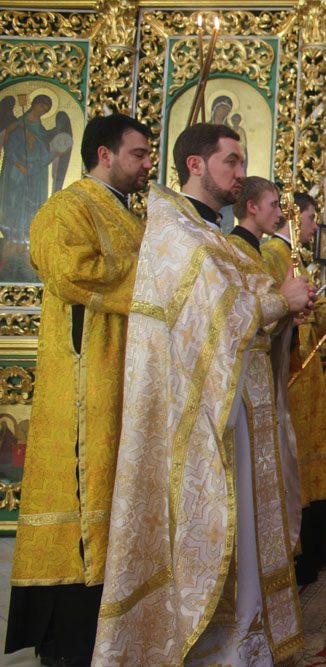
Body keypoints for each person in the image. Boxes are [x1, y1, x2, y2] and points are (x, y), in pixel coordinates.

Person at [93, 123, 314, 665]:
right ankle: (216, 647)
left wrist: (283, 306)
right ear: (195, 164)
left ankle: (245, 640)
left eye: (242, 163)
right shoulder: (175, 232)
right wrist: (278, 302)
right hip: (201, 412)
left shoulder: (209, 233)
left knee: (246, 530)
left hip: (237, 403)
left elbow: (242, 305)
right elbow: (215, 313)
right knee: (217, 526)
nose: (241, 174)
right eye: (231, 162)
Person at [5, 113, 152, 667]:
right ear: (104, 155)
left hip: (129, 377)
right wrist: (154, 276)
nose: (147, 165)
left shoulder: (129, 215)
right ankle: (70, 636)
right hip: (86, 380)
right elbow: (68, 269)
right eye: (138, 154)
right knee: (83, 491)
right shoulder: (66, 208)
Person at [262, 191, 326, 584]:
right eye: (310, 218)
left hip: (305, 378)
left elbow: (313, 309)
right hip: (288, 373)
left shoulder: (295, 259)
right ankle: (297, 555)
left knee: (307, 457)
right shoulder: (271, 255)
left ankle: (314, 552)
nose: (314, 226)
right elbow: (271, 312)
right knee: (292, 460)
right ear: (293, 217)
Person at [0, 94, 55, 242]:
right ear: (34, 104)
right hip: (15, 173)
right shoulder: (18, 124)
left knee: (28, 203)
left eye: (46, 109)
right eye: (42, 106)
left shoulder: (41, 131)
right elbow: (8, 145)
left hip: (33, 176)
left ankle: (25, 236)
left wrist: (49, 151)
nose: (43, 110)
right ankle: (11, 235)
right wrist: (19, 165)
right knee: (13, 201)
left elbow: (43, 153)